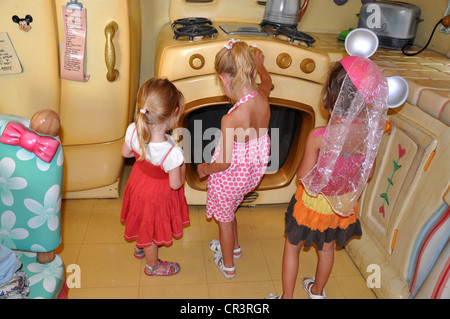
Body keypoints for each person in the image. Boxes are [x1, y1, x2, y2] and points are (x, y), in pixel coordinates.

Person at [269, 55, 389, 299]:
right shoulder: (369, 136)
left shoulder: (319, 136)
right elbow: (368, 174)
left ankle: (287, 297)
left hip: (312, 204)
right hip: (340, 207)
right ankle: (317, 291)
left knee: (292, 248)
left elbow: (303, 176)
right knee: (327, 249)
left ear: (330, 95)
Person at [197, 40, 272, 279]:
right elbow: (269, 82)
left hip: (229, 179)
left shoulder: (232, 119)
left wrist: (206, 168)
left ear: (223, 79)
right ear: (250, 70)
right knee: (231, 211)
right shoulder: (263, 95)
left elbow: (225, 163)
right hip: (250, 175)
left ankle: (228, 265)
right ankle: (235, 248)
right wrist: (261, 66)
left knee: (225, 222)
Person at [121, 77, 189, 276]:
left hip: (138, 182)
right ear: (174, 113)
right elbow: (175, 184)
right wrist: (182, 165)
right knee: (151, 227)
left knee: (143, 218)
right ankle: (153, 265)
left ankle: (141, 245)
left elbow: (125, 153)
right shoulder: (172, 153)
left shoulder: (133, 130)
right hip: (156, 195)